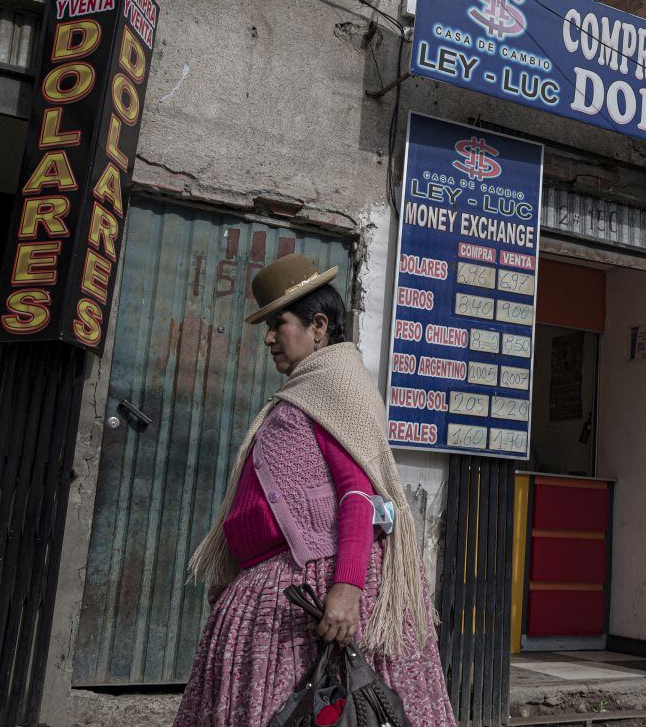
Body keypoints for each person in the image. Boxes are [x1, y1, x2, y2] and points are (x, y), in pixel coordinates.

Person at [174, 254, 455, 727]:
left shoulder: (336, 389)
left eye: (277, 324)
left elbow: (357, 497)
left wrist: (346, 588)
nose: (268, 338)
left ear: (318, 325)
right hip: (274, 582)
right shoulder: (307, 392)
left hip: (321, 590)